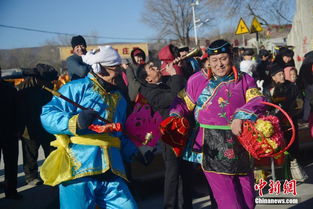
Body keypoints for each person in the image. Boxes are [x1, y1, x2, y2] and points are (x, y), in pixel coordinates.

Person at [40, 46, 144, 209]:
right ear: (100, 68)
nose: (120, 72)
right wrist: (76, 121)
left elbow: (118, 133)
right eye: (115, 67)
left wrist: (135, 152)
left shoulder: (119, 99)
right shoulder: (74, 88)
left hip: (112, 171)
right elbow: (47, 115)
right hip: (79, 168)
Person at [168, 39, 266, 209]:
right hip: (211, 144)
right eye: (214, 60)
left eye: (223, 58)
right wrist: (176, 115)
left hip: (241, 142)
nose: (219, 64)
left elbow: (258, 100)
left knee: (249, 201)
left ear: (232, 57)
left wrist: (241, 116)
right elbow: (183, 103)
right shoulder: (197, 80)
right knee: (229, 202)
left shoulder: (245, 80)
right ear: (208, 61)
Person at [136, 61, 194, 209]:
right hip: (168, 137)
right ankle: (169, 206)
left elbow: (186, 88)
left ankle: (187, 205)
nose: (156, 67)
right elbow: (175, 98)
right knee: (172, 175)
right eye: (152, 68)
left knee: (187, 172)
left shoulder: (166, 80)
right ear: (148, 79)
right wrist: (175, 75)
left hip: (184, 132)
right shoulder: (149, 92)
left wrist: (180, 70)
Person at [263, 63, 308, 182]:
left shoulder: (292, 87)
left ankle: (295, 173)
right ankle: (281, 175)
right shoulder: (268, 89)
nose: (283, 76)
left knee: (293, 147)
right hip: (276, 124)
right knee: (279, 148)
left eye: (283, 73)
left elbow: (300, 103)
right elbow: (267, 107)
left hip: (290, 122)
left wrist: (292, 114)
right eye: (279, 74)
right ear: (273, 77)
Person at [17, 63, 58, 185]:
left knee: (51, 151)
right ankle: (31, 176)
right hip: (29, 126)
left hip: (46, 124)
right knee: (30, 153)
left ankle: (52, 173)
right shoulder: (23, 88)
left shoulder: (47, 86)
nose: (51, 83)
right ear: (39, 79)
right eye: (48, 81)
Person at [0, 73, 22, 199]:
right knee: (11, 163)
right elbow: (19, 111)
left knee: (11, 163)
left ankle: (11, 190)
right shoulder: (10, 89)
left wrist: (18, 129)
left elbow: (18, 111)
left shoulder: (10, 89)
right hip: (10, 131)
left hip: (10, 131)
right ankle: (11, 190)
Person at [298, 51, 313, 122]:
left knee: (307, 101)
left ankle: (305, 117)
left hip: (307, 84)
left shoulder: (307, 59)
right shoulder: (310, 58)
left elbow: (301, 72)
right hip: (310, 83)